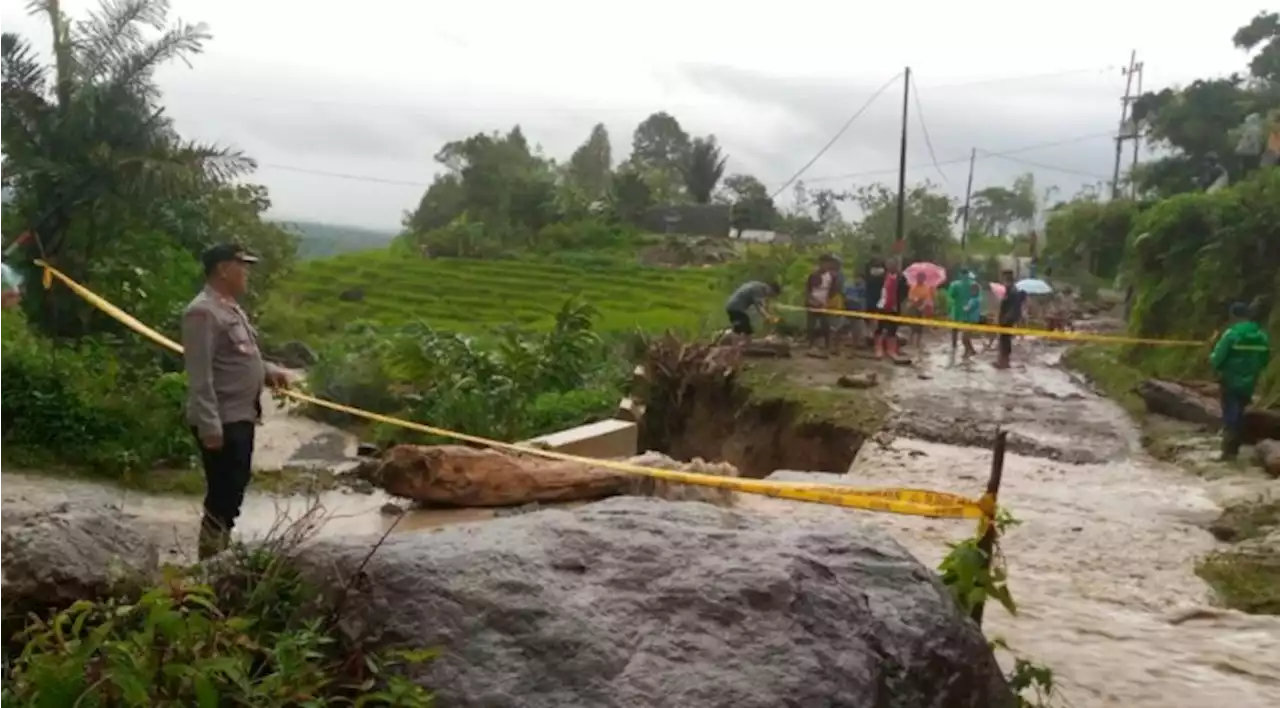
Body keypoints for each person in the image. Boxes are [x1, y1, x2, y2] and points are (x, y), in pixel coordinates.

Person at [183, 243, 292, 560]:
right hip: (223, 419)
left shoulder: (230, 308)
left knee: (234, 490)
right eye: (241, 265)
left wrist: (269, 371)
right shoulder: (202, 312)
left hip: (241, 416)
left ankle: (218, 553)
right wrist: (209, 426)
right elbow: (199, 374)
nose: (246, 272)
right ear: (222, 269)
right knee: (223, 494)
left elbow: (240, 355)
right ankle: (209, 561)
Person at [1210, 302, 1271, 460]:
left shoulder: (1231, 335)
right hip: (1249, 381)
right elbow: (1265, 359)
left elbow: (1216, 359)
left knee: (1231, 414)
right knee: (1240, 411)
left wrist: (1213, 355)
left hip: (1230, 380)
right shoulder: (1262, 336)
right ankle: (1235, 448)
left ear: (1233, 316)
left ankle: (1228, 453)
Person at [873, 257, 909, 359]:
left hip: (895, 306)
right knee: (880, 327)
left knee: (893, 328)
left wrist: (901, 303)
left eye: (893, 264)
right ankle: (878, 349)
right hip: (882, 305)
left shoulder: (901, 278)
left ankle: (891, 349)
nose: (890, 266)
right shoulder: (882, 276)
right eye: (889, 264)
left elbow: (905, 292)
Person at [805, 255, 838, 350]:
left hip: (824, 304)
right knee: (811, 325)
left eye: (828, 263)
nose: (826, 265)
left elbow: (833, 291)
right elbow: (807, 291)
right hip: (813, 303)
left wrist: (829, 302)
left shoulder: (831, 277)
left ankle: (827, 345)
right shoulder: (813, 275)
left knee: (826, 325)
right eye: (824, 263)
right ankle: (810, 344)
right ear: (820, 264)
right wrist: (813, 301)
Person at [995, 270, 1025, 369]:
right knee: (1004, 339)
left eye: (1004, 280)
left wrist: (1007, 317)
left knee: (1005, 339)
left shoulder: (1013, 291)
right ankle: (1002, 360)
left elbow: (1014, 307)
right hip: (1005, 318)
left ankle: (1004, 362)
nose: (1003, 282)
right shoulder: (1009, 291)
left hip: (1007, 319)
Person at [946, 269, 975, 353]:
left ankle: (954, 347)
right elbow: (977, 297)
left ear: (960, 274)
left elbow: (950, 297)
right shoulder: (973, 284)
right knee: (966, 331)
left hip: (957, 310)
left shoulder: (954, 284)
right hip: (968, 310)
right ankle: (967, 349)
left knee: (955, 329)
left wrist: (949, 308)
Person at [906, 272, 936, 350]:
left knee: (920, 327)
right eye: (918, 277)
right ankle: (910, 342)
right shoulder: (913, 286)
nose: (919, 279)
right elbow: (910, 297)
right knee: (912, 325)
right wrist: (915, 300)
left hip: (922, 308)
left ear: (924, 279)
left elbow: (928, 299)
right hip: (913, 307)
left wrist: (922, 306)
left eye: (921, 277)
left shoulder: (927, 288)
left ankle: (918, 344)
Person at [841, 276, 868, 350]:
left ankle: (854, 348)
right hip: (847, 309)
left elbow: (863, 301)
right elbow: (844, 297)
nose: (858, 280)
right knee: (839, 327)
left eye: (860, 279)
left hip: (857, 311)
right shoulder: (848, 286)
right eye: (857, 278)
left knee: (856, 330)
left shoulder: (863, 289)